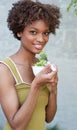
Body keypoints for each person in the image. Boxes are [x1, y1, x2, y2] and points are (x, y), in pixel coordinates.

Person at [0, 0, 61, 130]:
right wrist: (36, 85)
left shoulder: (43, 67)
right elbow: (17, 126)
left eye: (46, 33)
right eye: (33, 32)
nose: (41, 39)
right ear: (19, 32)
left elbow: (48, 118)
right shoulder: (5, 69)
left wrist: (54, 88)